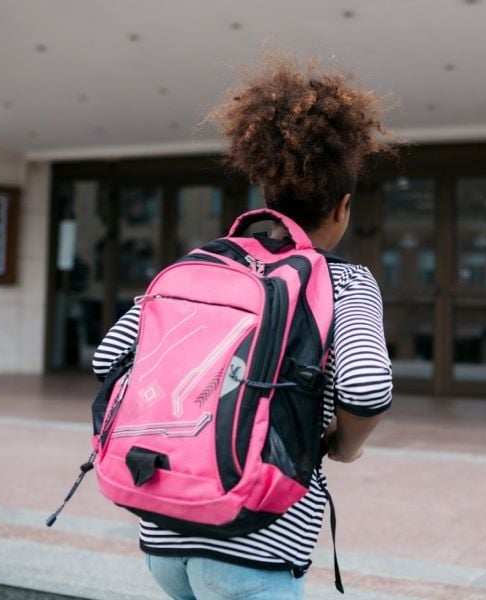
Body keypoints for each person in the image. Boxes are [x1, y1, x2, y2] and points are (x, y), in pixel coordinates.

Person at [91, 55, 394, 600]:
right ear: (343, 209)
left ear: (267, 196)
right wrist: (344, 447)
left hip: (162, 526)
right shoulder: (344, 282)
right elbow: (367, 388)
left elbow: (106, 359)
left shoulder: (200, 263)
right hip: (257, 539)